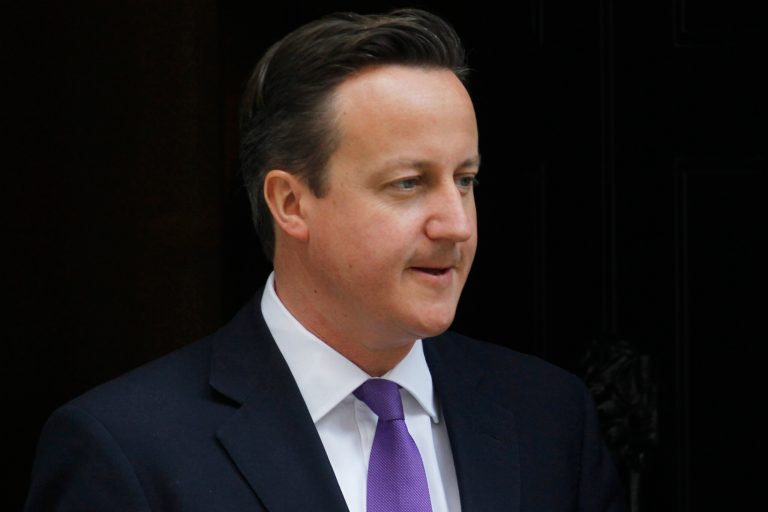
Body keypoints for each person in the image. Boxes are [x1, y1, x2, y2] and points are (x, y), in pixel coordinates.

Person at [25, 8, 625, 512]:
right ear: (291, 202)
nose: (457, 224)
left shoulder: (549, 417)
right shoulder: (125, 449)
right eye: (409, 184)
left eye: (465, 180)